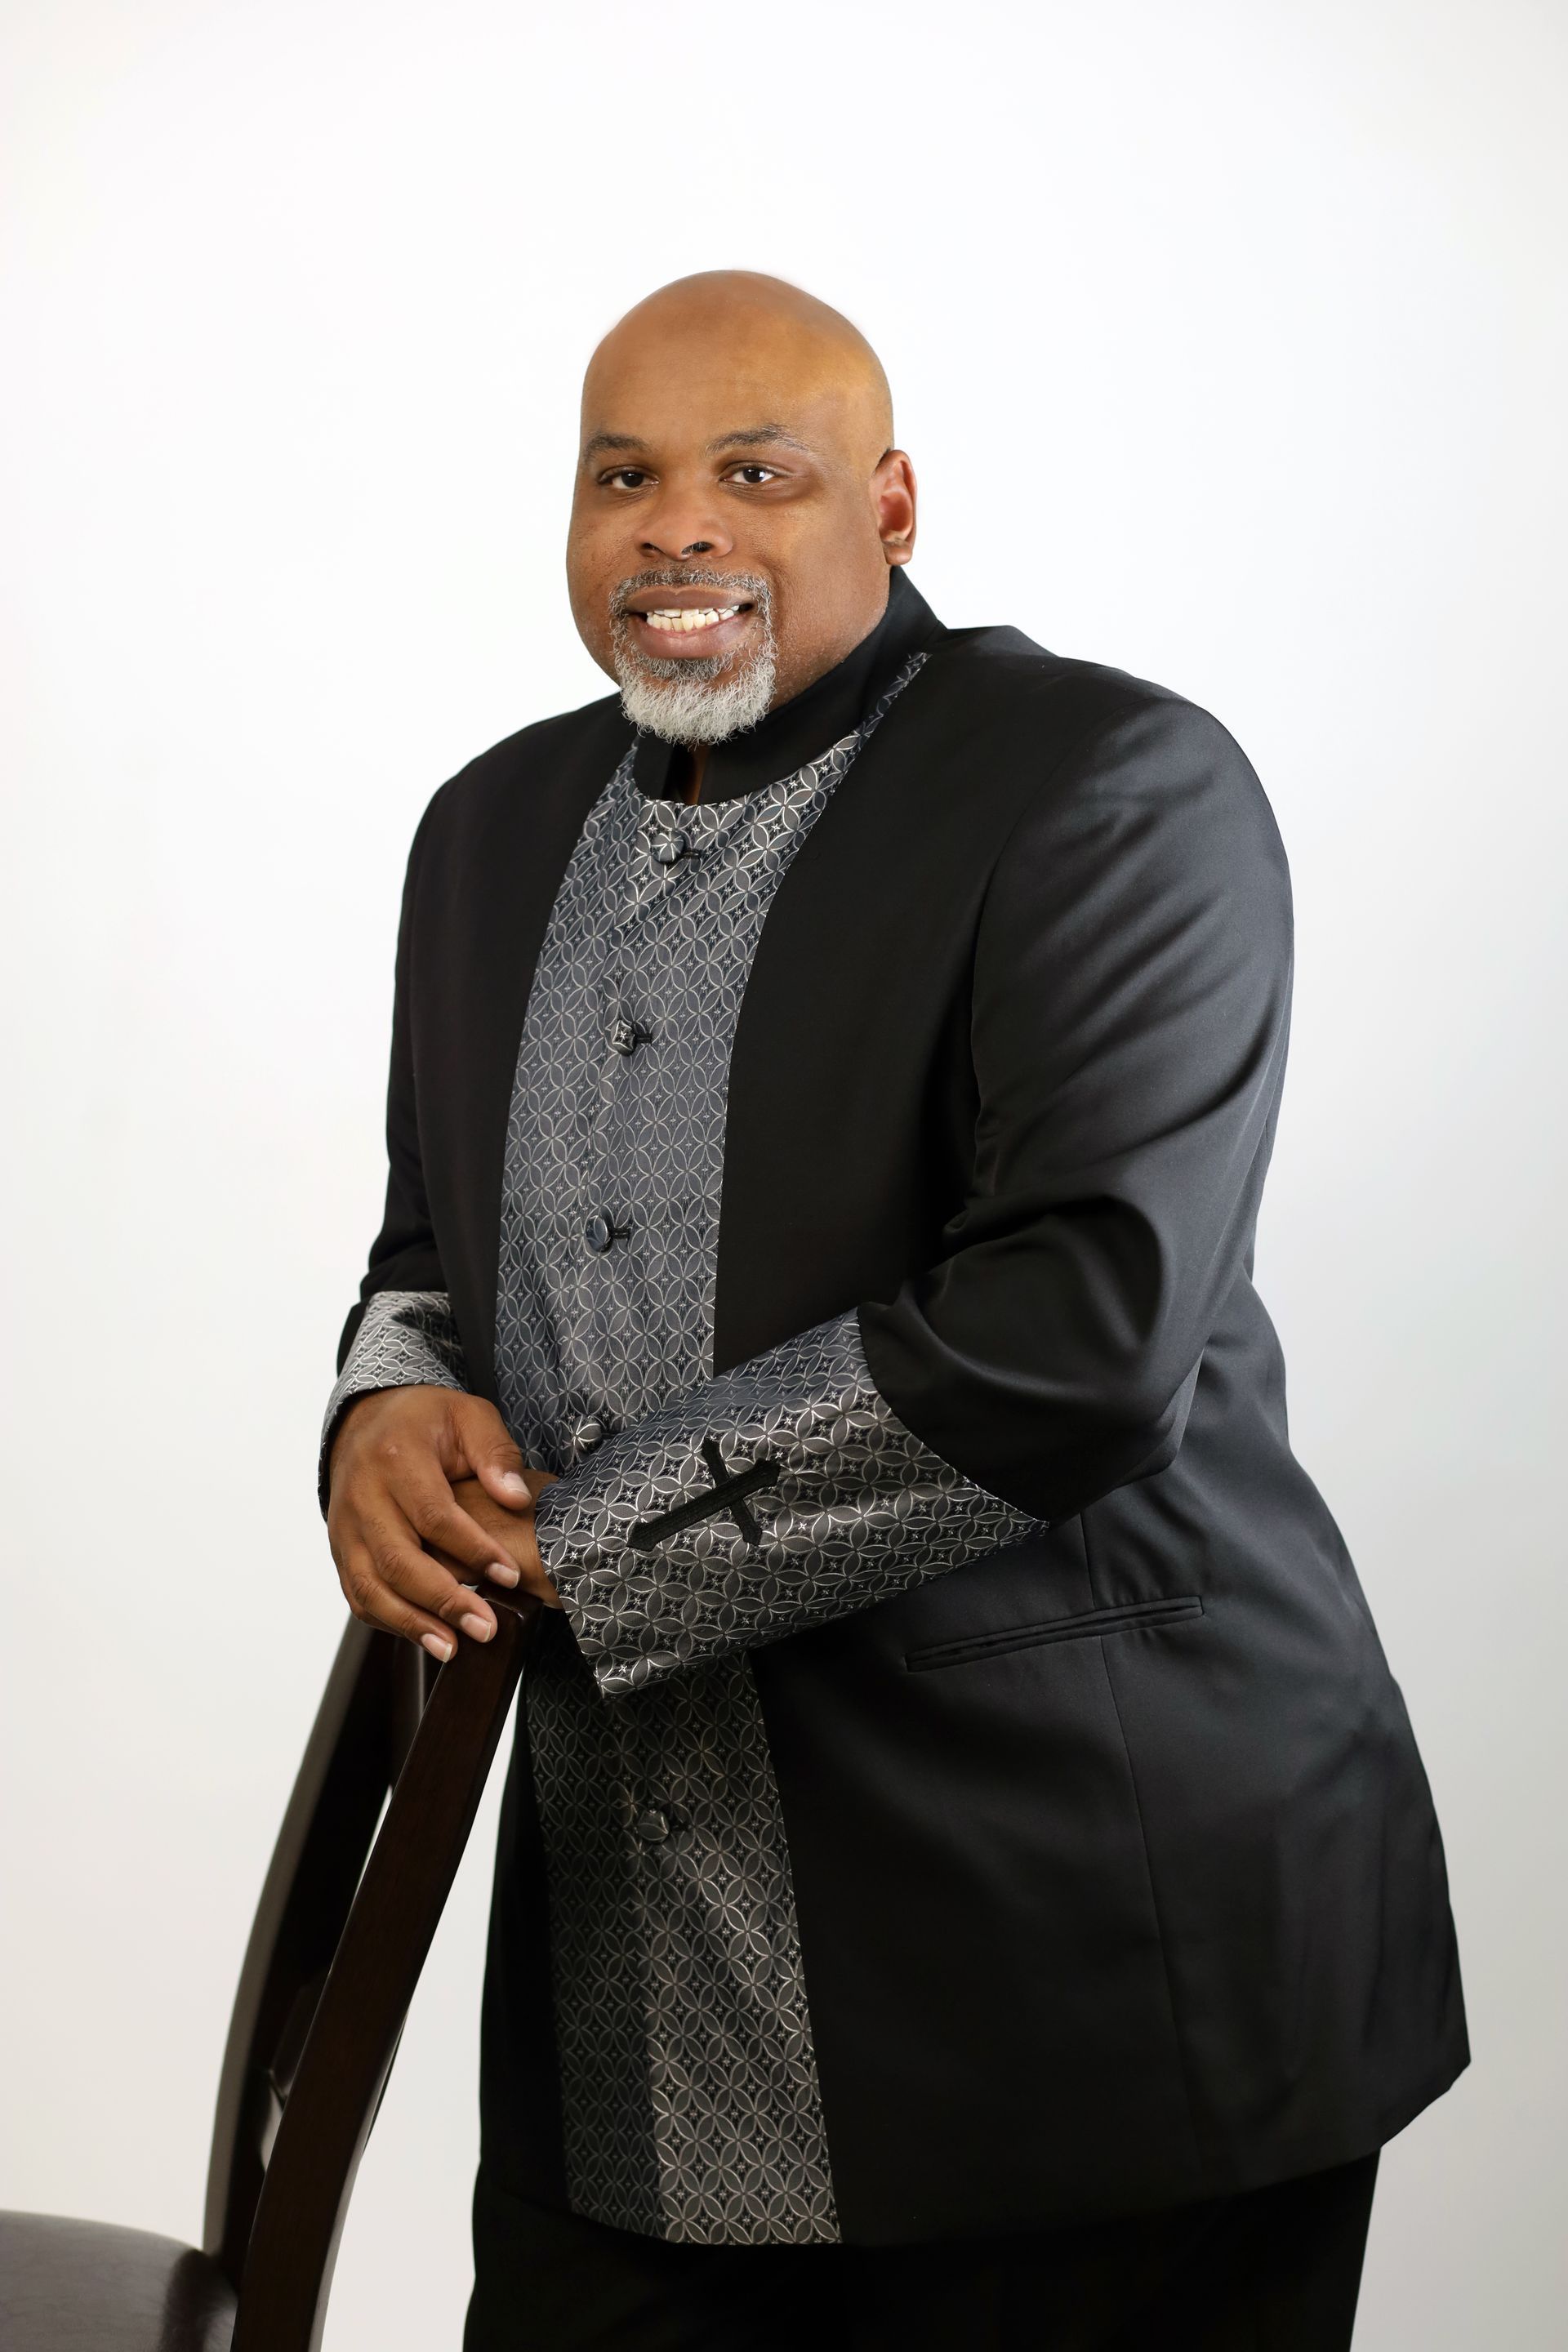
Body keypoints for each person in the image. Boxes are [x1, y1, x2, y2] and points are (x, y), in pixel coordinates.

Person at [321, 272, 1466, 2350]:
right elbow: (426, 1257)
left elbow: (1080, 1330)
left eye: (758, 473)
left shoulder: (1110, 785)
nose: (681, 527)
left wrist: (581, 1542)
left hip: (1095, 1977)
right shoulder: (484, 834)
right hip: (633, 2013)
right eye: (623, 477)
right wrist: (386, 1414)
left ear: (895, 503)